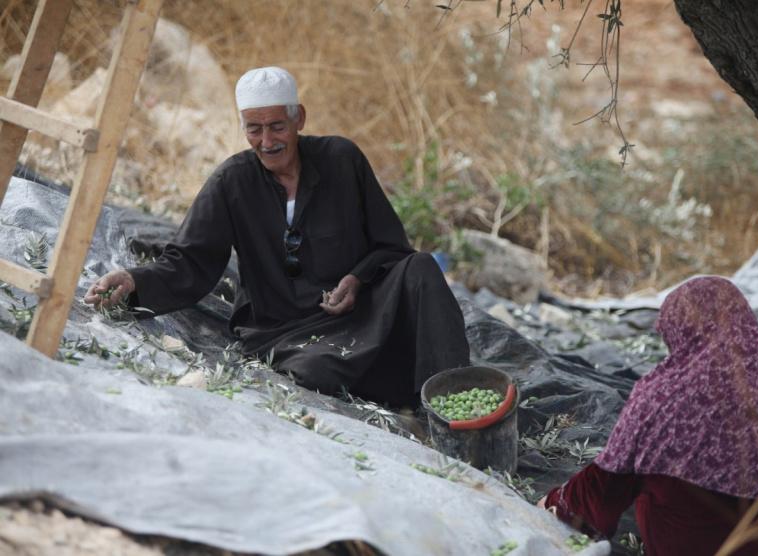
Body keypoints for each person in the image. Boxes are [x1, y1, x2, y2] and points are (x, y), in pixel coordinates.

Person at [84, 66, 470, 407]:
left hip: (363, 313)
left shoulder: (341, 159)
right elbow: (190, 261)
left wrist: (356, 279)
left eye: (277, 127)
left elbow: (392, 248)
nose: (267, 142)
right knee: (317, 370)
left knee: (422, 267)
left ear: (299, 118)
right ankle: (404, 384)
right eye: (254, 129)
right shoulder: (231, 182)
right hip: (286, 330)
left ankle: (452, 402)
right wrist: (134, 282)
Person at [539, 276, 758, 555]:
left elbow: (604, 488)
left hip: (704, 546)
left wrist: (557, 503)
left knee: (644, 479)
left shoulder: (664, 393)